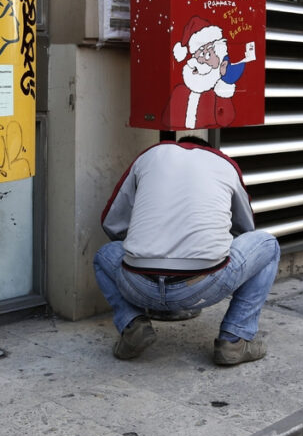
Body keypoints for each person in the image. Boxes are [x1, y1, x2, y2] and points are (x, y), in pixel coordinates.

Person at [93, 136, 280, 365]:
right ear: (209, 150)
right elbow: (246, 229)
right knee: (268, 246)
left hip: (137, 283)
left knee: (104, 255)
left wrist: (146, 249)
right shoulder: (225, 163)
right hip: (203, 285)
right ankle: (234, 339)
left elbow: (112, 222)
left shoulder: (149, 155)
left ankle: (132, 323)